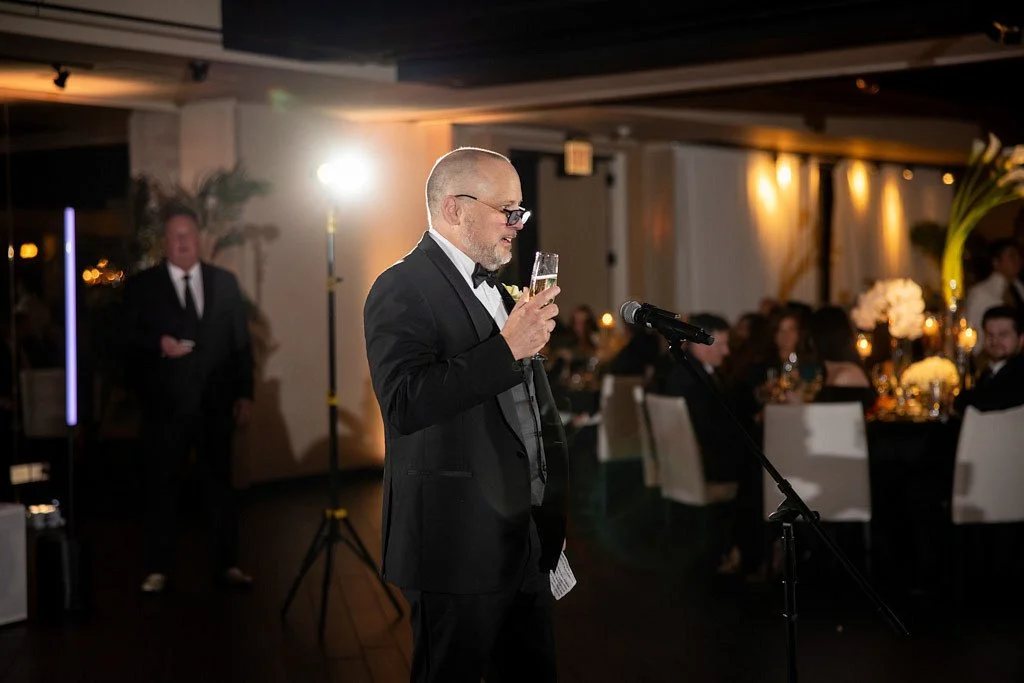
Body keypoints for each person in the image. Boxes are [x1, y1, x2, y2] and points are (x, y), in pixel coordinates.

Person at [363, 147, 569, 683]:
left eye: (520, 211)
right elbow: (404, 403)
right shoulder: (401, 286)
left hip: (522, 534)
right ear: (455, 208)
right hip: (455, 543)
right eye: (508, 211)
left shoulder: (497, 287)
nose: (518, 225)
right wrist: (507, 349)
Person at [121, 205, 254, 594]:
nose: (182, 242)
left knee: (219, 486)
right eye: (174, 236)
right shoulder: (143, 286)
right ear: (164, 243)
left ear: (199, 240)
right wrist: (158, 344)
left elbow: (241, 343)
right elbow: (125, 339)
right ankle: (158, 568)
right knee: (161, 487)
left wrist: (245, 393)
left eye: (188, 235)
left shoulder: (224, 282)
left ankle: (227, 564)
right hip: (166, 408)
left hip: (215, 406)